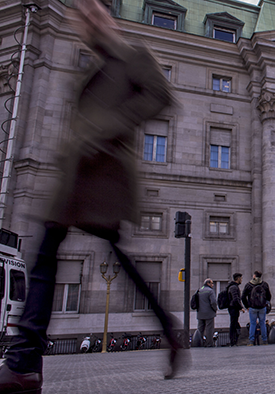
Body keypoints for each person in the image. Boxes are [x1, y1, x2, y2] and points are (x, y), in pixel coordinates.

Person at [0, 0, 180, 391]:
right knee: (47, 257)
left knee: (84, 257)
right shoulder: (93, 66)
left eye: (93, 11)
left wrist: (107, 129)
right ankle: (25, 361)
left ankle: (24, 360)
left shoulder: (134, 55)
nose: (86, 19)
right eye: (81, 15)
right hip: (76, 175)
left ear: (106, 17)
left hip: (105, 174)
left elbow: (161, 96)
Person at [242, 271, 272, 346]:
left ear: (254, 276)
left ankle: (251, 340)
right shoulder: (265, 285)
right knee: (262, 323)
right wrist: (265, 303)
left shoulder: (249, 285)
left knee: (253, 323)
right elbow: (269, 296)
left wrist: (247, 306)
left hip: (252, 307)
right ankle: (264, 340)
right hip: (262, 307)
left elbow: (243, 297)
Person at [197, 279, 218, 347]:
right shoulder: (210, 291)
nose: (213, 285)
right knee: (209, 329)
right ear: (208, 283)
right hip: (209, 313)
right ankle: (209, 343)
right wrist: (215, 309)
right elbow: (213, 302)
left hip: (200, 313)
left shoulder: (199, 290)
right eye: (212, 283)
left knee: (200, 329)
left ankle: (199, 343)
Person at [226, 273, 246, 346]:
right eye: (241, 278)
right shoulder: (234, 287)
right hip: (233, 308)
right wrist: (241, 307)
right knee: (233, 324)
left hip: (232, 308)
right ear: (238, 279)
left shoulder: (232, 287)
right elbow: (235, 298)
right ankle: (233, 341)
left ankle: (234, 340)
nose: (241, 280)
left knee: (234, 324)